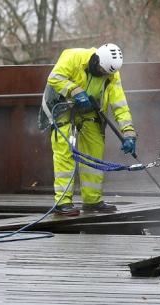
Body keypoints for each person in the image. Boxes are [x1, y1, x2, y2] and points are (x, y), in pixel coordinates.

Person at [39, 43, 137, 216]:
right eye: (101, 70)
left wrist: (128, 133)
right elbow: (54, 78)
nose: (103, 74)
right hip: (62, 107)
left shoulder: (112, 75)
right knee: (64, 152)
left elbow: (119, 104)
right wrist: (75, 90)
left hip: (89, 111)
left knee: (95, 150)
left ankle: (92, 201)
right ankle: (63, 203)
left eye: (106, 73)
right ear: (96, 59)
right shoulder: (72, 56)